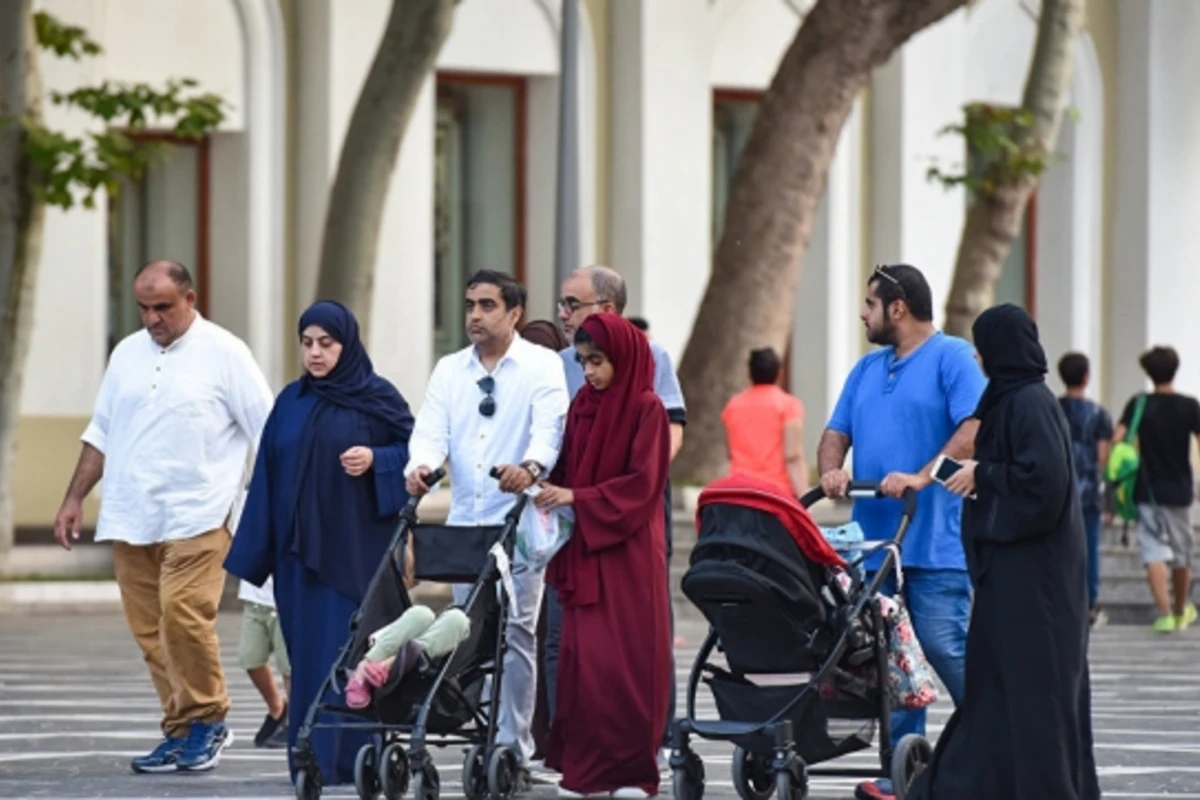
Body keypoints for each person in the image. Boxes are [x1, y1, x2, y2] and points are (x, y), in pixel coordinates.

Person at [52, 260, 274, 773]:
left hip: (200, 512)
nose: (152, 319)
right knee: (150, 631)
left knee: (183, 617)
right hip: (131, 515)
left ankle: (210, 720)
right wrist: (72, 499)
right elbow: (102, 432)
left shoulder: (226, 353)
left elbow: (267, 431)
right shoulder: (127, 354)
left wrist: (264, 508)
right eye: (143, 308)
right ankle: (179, 728)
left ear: (190, 300)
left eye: (163, 308)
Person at [908, 303, 1100, 800]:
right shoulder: (1011, 400)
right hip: (1016, 581)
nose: (976, 354)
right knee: (998, 690)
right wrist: (978, 478)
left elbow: (1046, 485)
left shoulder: (1029, 404)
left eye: (983, 344)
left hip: (1036, 588)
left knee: (1033, 694)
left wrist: (984, 475)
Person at [224, 300, 415, 786]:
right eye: (307, 343)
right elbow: (265, 473)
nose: (315, 353)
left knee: (353, 653)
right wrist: (255, 550)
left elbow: (418, 454)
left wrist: (377, 459)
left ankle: (357, 759)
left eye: (326, 344)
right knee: (307, 658)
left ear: (346, 344)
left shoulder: (378, 397)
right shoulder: (291, 401)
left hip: (355, 554)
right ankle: (311, 758)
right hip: (297, 560)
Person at [816, 265, 986, 800]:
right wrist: (831, 471)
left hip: (934, 545)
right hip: (876, 552)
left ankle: (999, 743)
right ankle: (902, 772)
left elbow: (974, 427)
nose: (862, 314)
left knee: (940, 646)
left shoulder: (952, 357)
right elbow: (834, 433)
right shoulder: (867, 368)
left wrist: (922, 474)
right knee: (893, 662)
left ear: (898, 307)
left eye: (870, 303)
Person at [404, 270, 569, 777]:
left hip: (518, 522)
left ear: (514, 313)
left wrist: (532, 468)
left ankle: (511, 747)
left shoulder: (542, 365)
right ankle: (476, 724)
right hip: (465, 523)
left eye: (487, 306)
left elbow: (551, 428)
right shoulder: (450, 370)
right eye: (470, 304)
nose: (474, 315)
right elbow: (430, 430)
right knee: (470, 632)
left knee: (517, 633)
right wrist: (422, 467)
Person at [550, 265, 687, 768]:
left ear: (605, 310)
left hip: (627, 530)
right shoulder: (578, 391)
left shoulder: (649, 388)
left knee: (632, 646)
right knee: (578, 651)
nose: (562, 313)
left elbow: (660, 447)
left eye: (572, 303)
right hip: (582, 535)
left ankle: (641, 749)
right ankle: (581, 752)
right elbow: (563, 453)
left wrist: (595, 493)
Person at [535, 313, 672, 799]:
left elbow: (642, 485)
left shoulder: (647, 408)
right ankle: (586, 772)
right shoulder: (582, 406)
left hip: (628, 555)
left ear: (625, 358)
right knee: (583, 665)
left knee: (625, 667)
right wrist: (542, 484)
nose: (589, 371)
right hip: (585, 551)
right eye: (584, 361)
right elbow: (566, 465)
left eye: (598, 361)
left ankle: (632, 773)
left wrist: (577, 498)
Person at [1112, 345, 1200, 633]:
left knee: (1153, 551)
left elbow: (1118, 438)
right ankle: (1180, 609)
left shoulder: (1139, 404)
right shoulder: (1189, 406)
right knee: (1182, 552)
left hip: (1146, 489)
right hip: (1180, 490)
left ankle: (1163, 613)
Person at [1056, 352, 1114, 629]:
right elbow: (1102, 457)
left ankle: (1060, 600)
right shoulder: (1099, 414)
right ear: (1086, 377)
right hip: (1089, 491)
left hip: (1058, 490)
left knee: (1058, 548)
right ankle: (1089, 604)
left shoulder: (1053, 408)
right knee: (1088, 549)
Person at [721, 347, 808, 496]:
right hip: (776, 493)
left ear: (749, 374)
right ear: (780, 374)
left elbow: (730, 453)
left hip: (740, 491)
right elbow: (792, 456)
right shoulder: (789, 406)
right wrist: (805, 500)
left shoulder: (733, 405)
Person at [237, 576, 291, 748]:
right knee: (250, 658)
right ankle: (278, 708)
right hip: (254, 601)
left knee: (289, 669)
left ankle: (293, 722)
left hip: (286, 602)